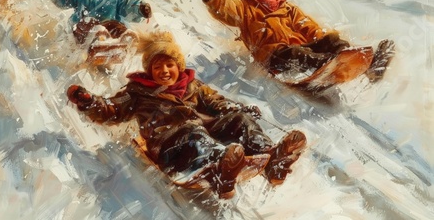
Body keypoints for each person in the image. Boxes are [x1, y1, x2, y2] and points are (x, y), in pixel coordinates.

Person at [66, 31, 307, 199]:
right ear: (149, 71)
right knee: (193, 131)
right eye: (157, 67)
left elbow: (217, 103)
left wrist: (237, 109)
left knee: (238, 121)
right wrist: (89, 102)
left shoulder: (192, 86)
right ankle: (222, 170)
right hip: (172, 147)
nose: (164, 71)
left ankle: (272, 158)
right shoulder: (137, 92)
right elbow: (112, 110)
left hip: (202, 137)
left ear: (178, 66)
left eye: (169, 65)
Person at [193, 0, 394, 82]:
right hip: (274, 56)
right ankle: (327, 66)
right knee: (298, 54)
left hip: (299, 48)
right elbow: (226, 8)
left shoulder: (288, 9)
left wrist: (322, 40)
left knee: (330, 39)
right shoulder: (245, 7)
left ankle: (363, 63)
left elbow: (307, 26)